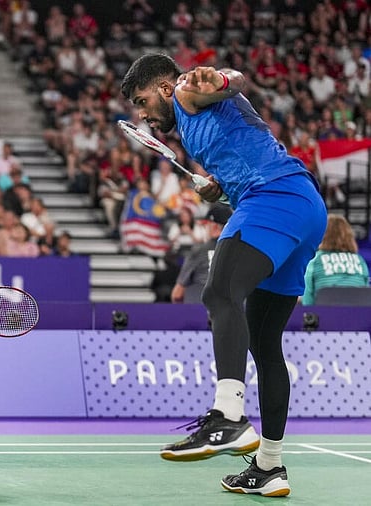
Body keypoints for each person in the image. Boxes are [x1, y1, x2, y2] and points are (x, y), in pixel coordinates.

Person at [122, 54, 327, 497]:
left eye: (141, 101)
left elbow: (230, 81)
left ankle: (228, 417)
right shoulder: (194, 128)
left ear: (163, 88)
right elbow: (242, 148)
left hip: (275, 197)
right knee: (263, 342)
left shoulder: (184, 93)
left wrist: (217, 77)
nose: (142, 115)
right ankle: (269, 466)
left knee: (218, 293)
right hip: (305, 207)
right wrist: (218, 186)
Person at [302, 215, 370, 305]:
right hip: (358, 316)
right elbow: (366, 295)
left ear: (323, 235)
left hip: (324, 315)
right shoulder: (359, 260)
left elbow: (308, 299)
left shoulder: (315, 260)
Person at [171, 204, 233, 304]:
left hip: (200, 309)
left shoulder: (199, 250)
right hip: (231, 311)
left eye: (206, 225)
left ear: (214, 226)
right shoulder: (240, 252)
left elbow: (177, 294)